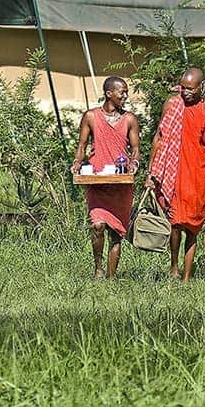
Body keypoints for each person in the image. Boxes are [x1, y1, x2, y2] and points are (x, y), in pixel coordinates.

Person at [146, 67, 205, 282]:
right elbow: (159, 137)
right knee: (175, 222)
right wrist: (151, 172)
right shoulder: (172, 104)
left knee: (192, 226)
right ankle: (173, 267)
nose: (186, 92)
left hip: (198, 174)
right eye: (183, 88)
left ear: (202, 87)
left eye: (191, 88)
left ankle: (187, 277)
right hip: (173, 170)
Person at [72, 76, 140, 279]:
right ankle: (98, 268)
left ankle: (111, 278)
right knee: (98, 225)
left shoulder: (129, 119)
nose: (126, 96)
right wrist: (77, 163)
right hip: (98, 180)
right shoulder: (91, 117)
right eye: (122, 92)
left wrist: (134, 163)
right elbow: (82, 146)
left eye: (126, 92)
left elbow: (135, 149)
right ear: (109, 93)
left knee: (116, 232)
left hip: (120, 183)